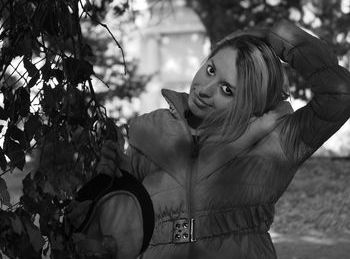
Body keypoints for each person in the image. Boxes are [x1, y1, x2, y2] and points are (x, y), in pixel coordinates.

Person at [99, 19, 350, 258]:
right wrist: (113, 178)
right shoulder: (151, 129)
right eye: (210, 70)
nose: (205, 90)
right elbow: (122, 226)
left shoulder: (278, 138)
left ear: (250, 102)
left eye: (227, 90)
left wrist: (278, 37)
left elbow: (340, 95)